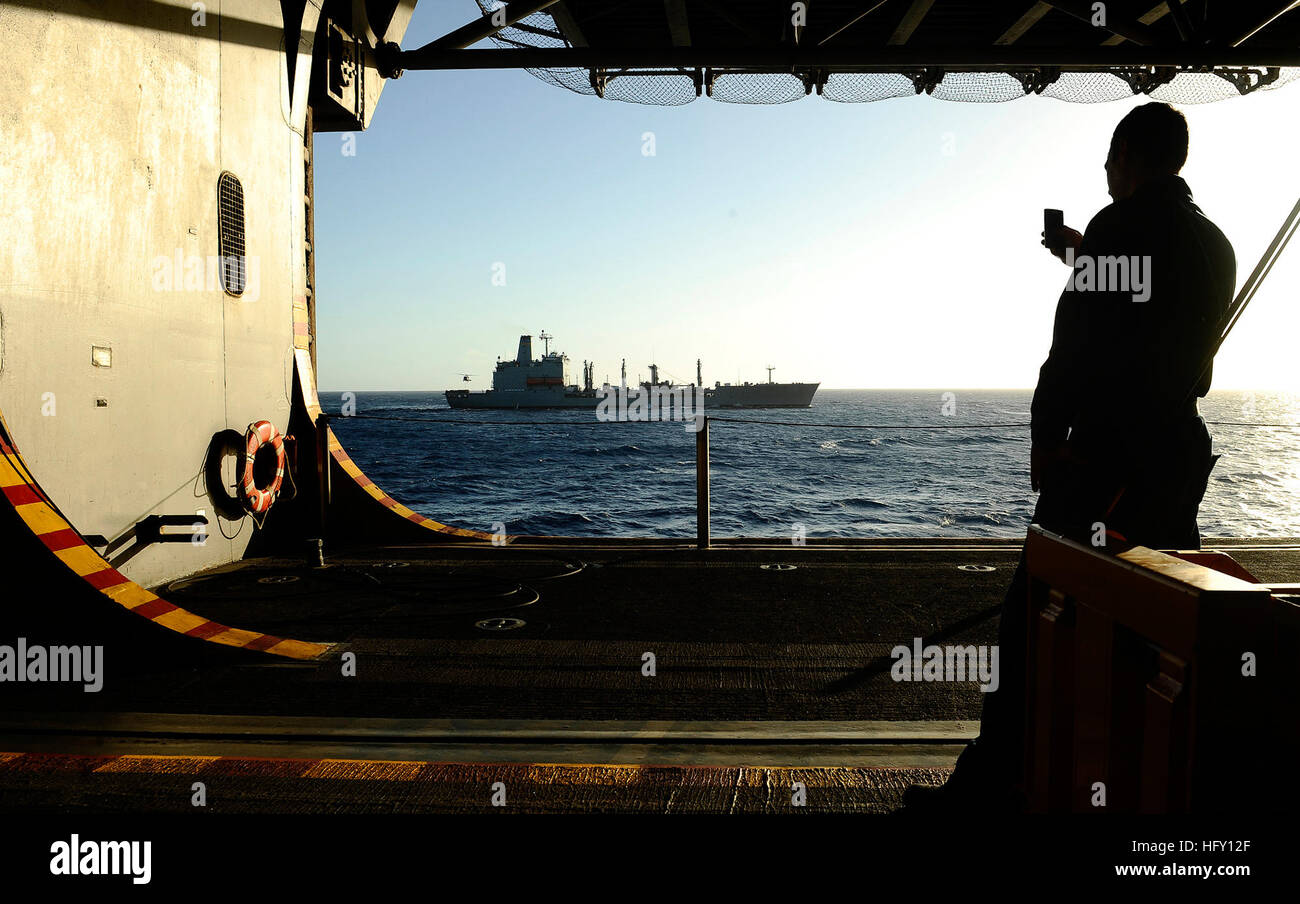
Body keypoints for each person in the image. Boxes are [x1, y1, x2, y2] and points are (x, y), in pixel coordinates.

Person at [903, 102, 1236, 812]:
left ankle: (991, 788)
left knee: (1031, 618)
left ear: (1130, 159)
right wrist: (1084, 255)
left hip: (1106, 467)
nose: (1109, 175)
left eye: (1112, 163)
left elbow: (1077, 349)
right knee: (1165, 627)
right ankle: (1151, 783)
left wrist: (1044, 437)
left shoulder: (1123, 226)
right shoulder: (1216, 243)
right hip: (1176, 462)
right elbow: (1154, 315)